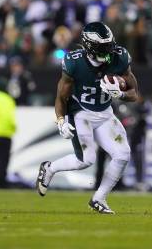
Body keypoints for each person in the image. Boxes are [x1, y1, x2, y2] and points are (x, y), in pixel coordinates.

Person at [35, 22, 140, 214]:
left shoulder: (119, 57)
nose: (109, 51)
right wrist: (61, 120)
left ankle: (99, 198)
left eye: (110, 45)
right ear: (90, 47)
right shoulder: (74, 61)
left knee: (123, 154)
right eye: (103, 47)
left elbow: (134, 93)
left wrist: (120, 93)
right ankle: (49, 168)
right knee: (86, 159)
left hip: (105, 112)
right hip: (80, 111)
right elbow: (61, 96)